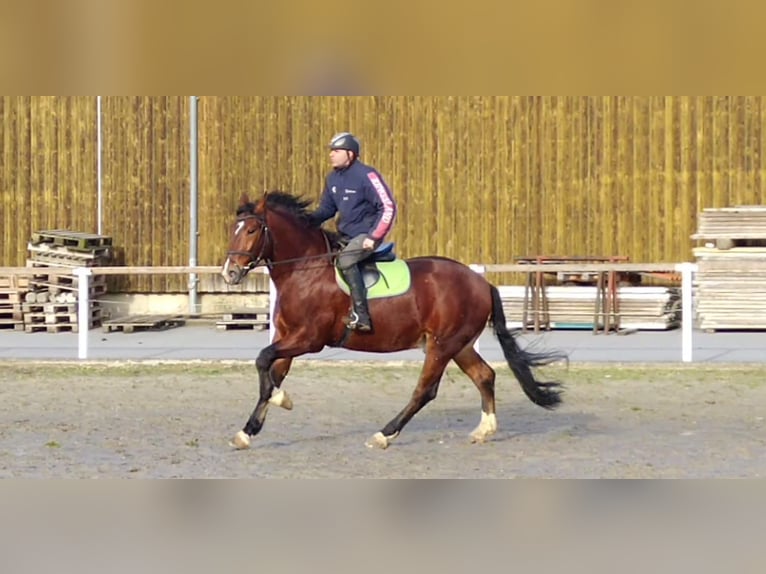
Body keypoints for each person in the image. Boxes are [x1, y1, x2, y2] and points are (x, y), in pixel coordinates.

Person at [307, 132, 397, 332]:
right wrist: (304, 221)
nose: (331, 155)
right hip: (344, 236)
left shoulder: (367, 175)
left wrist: (373, 237)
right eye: (331, 151)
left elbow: (388, 207)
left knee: (346, 260)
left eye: (336, 151)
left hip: (365, 236)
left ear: (350, 154)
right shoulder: (332, 179)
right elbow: (326, 210)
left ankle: (361, 316)